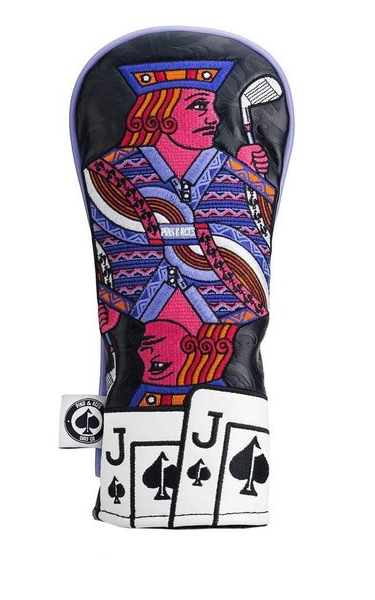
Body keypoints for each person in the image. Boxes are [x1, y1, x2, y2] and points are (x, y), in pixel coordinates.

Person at [84, 60, 278, 407]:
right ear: (160, 113)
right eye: (199, 106)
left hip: (208, 324)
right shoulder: (112, 172)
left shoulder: (233, 171)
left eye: (213, 108)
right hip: (153, 313)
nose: (214, 119)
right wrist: (113, 302)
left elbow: (252, 246)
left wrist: (252, 181)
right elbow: (111, 244)